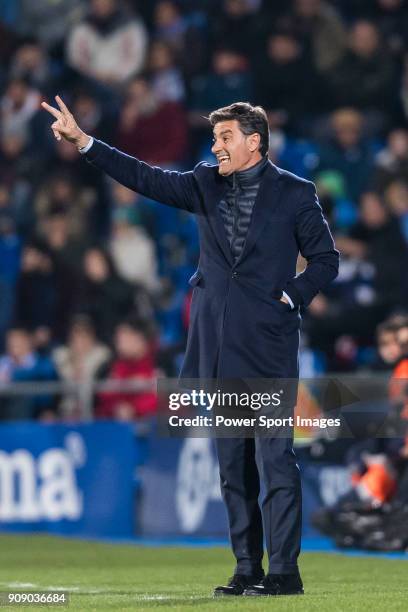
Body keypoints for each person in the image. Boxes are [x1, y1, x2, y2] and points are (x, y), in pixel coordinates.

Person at [42, 95, 339, 597]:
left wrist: (292, 295)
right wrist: (85, 142)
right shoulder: (204, 183)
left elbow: (325, 260)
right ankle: (247, 568)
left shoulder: (295, 193)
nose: (216, 146)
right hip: (218, 348)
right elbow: (144, 177)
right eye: (215, 137)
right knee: (232, 468)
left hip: (268, 348)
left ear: (254, 142)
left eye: (225, 137)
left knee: (276, 464)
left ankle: (284, 574)